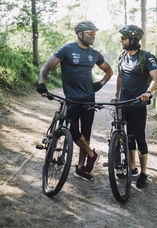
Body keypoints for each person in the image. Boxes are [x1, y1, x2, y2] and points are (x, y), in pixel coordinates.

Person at [37, 21, 113, 181]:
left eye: (94, 34)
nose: (93, 36)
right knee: (72, 131)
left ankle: (80, 168)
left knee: (86, 133)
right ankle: (92, 155)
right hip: (72, 99)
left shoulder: (94, 54)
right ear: (80, 34)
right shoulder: (67, 50)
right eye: (90, 33)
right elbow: (47, 66)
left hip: (89, 100)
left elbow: (109, 70)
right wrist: (42, 84)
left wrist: (100, 83)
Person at [112, 24, 157, 188]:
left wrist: (147, 92)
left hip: (138, 104)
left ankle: (144, 172)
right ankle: (132, 168)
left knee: (139, 136)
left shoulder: (146, 57)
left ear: (133, 40)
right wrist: (117, 96)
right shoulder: (122, 56)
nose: (121, 40)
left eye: (124, 38)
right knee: (129, 136)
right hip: (124, 103)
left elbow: (156, 78)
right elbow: (120, 77)